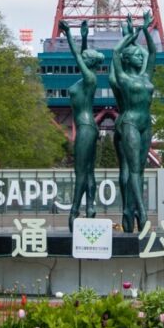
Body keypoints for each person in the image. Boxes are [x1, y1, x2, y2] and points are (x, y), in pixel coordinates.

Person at [109, 12, 157, 234]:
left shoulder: (146, 76)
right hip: (129, 122)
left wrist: (145, 30)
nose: (141, 57)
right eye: (136, 56)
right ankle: (142, 211)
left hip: (146, 123)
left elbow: (152, 51)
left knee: (141, 168)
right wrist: (131, 35)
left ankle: (134, 209)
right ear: (128, 59)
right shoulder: (122, 78)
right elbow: (116, 52)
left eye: (140, 55)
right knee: (134, 171)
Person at [59, 19, 104, 223]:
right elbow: (83, 56)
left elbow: (78, 56)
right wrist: (84, 37)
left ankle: (75, 210)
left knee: (81, 172)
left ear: (88, 63)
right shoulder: (88, 78)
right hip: (88, 126)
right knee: (89, 171)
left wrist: (69, 33)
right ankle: (90, 207)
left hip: (85, 127)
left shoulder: (90, 79)